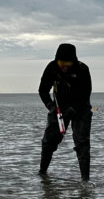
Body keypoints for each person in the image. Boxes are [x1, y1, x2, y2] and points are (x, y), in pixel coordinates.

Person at [37, 43, 92, 179]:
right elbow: (43, 90)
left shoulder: (82, 69)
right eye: (62, 62)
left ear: (73, 61)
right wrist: (50, 106)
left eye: (68, 63)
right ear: (57, 60)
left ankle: (85, 179)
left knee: (82, 143)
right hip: (59, 108)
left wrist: (74, 108)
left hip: (80, 107)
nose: (64, 66)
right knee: (49, 141)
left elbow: (86, 92)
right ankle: (42, 173)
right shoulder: (52, 67)